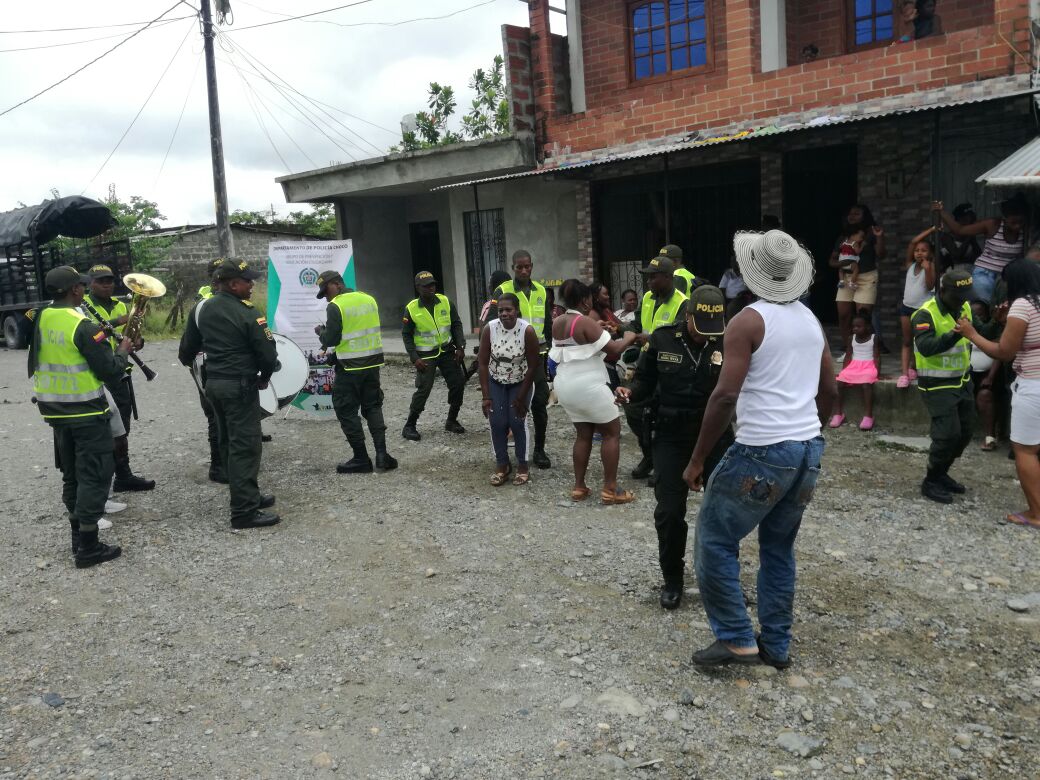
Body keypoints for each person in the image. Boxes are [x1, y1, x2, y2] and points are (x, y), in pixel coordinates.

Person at [684, 230, 836, 668]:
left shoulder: (747, 321)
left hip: (763, 449)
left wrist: (698, 459)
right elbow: (829, 388)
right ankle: (777, 644)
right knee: (778, 548)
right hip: (807, 448)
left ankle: (735, 638)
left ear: (750, 273)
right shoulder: (811, 320)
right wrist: (810, 433)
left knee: (715, 537)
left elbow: (724, 396)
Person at [616, 285, 733, 610]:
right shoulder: (663, 339)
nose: (705, 335)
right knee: (669, 512)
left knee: (724, 513)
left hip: (715, 437)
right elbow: (644, 383)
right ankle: (673, 580)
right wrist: (629, 393)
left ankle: (724, 581)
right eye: (700, 326)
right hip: (670, 436)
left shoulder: (726, 339)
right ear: (688, 315)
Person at [29, 266, 135, 567]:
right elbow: (111, 370)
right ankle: (89, 547)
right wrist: (123, 350)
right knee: (95, 474)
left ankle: (77, 537)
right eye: (82, 285)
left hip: (55, 412)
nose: (84, 289)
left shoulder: (42, 317)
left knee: (72, 474)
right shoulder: (84, 325)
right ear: (75, 290)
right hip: (86, 411)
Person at [178, 259, 280, 529]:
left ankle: (249, 495)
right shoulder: (247, 312)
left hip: (215, 387)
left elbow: (186, 353)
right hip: (240, 387)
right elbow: (268, 355)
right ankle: (244, 512)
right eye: (247, 281)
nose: (251, 285)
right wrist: (265, 377)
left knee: (228, 442)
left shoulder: (201, 309)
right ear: (233, 284)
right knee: (245, 446)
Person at [956, 261, 1040, 526]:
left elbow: (1004, 352)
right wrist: (1002, 322)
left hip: (1033, 383)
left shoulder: (1022, 305)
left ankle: (1037, 513)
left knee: (1025, 450)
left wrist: (971, 333)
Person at [549, 279, 637, 504]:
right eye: (589, 297)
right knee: (611, 432)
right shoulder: (585, 321)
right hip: (588, 384)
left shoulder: (558, 321)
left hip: (566, 385)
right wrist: (629, 337)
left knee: (583, 434)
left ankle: (579, 487)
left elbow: (579, 344)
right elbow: (615, 350)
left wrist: (600, 331)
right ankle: (610, 489)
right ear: (584, 300)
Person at [911, 269, 994, 504]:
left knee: (965, 432)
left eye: (966, 294)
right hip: (937, 385)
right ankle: (931, 480)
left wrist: (998, 322)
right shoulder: (925, 314)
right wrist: (957, 334)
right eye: (959, 295)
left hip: (962, 381)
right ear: (943, 291)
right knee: (947, 434)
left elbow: (982, 331)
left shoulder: (965, 308)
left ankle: (941, 473)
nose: (963, 300)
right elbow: (926, 347)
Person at [314, 270, 397, 474]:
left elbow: (332, 339)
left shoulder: (336, 306)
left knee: (345, 409)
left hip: (350, 368)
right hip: (372, 364)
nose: (326, 296)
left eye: (326, 291)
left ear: (337, 285)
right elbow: (357, 334)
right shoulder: (369, 299)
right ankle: (382, 455)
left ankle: (361, 458)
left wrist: (321, 332)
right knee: (373, 406)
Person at [82, 264, 155, 492]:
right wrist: (118, 322)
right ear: (90, 284)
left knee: (122, 429)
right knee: (103, 432)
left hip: (120, 373)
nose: (107, 284)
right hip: (99, 375)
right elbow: (90, 333)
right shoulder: (84, 306)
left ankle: (123, 475)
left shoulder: (123, 304)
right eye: (101, 281)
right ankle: (102, 481)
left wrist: (136, 341)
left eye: (110, 280)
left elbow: (134, 336)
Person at [626, 255, 690, 482]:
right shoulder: (647, 298)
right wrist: (620, 329)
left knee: (662, 418)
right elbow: (636, 324)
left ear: (668, 277)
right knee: (633, 409)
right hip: (646, 365)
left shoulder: (682, 302)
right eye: (647, 277)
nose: (649, 281)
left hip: (670, 368)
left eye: (653, 277)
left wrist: (650, 339)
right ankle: (650, 456)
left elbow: (683, 336)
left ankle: (664, 466)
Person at [488, 250, 552, 469]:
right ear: (513, 267)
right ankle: (507, 455)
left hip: (538, 358)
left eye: (527, 267)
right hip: (510, 361)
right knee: (511, 407)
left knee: (540, 403)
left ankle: (539, 450)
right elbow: (490, 325)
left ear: (532, 266)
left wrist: (552, 352)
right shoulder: (503, 290)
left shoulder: (542, 291)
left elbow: (548, 324)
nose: (524, 270)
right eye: (519, 267)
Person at [477, 293, 540, 486]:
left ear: (517, 310)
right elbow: (482, 362)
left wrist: (521, 398)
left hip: (520, 382)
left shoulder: (527, 331)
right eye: (501, 310)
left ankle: (522, 465)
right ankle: (502, 464)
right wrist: (486, 396)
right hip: (496, 381)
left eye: (508, 310)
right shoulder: (490, 328)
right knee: (496, 421)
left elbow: (533, 366)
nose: (504, 314)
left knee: (517, 421)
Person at [401, 271, 467, 441]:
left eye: (433, 284)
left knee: (458, 384)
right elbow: (407, 335)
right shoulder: (411, 308)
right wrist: (415, 358)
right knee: (424, 389)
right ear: (418, 288)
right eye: (426, 286)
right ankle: (409, 425)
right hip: (426, 355)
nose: (431, 288)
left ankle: (451, 420)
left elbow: (456, 324)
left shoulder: (445, 301)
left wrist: (460, 346)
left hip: (447, 351)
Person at [181, 258, 228, 483]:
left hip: (212, 364)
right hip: (211, 365)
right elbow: (188, 347)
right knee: (216, 415)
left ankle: (228, 461)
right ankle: (219, 465)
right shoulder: (207, 301)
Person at [934, 194, 1026, 305]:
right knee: (981, 307)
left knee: (1004, 310)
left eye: (1020, 222)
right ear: (1005, 219)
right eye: (1013, 222)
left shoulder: (1026, 230)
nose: (1017, 226)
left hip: (1007, 278)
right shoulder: (992, 224)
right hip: (985, 274)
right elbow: (960, 230)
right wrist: (941, 211)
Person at [829, 205, 885, 363]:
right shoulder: (843, 238)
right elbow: (832, 260)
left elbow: (881, 254)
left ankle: (868, 352)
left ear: (865, 216)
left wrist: (879, 237)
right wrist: (842, 263)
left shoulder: (870, 235)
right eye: (850, 213)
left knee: (863, 317)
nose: (852, 216)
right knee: (844, 315)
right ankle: (849, 350)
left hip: (866, 277)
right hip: (846, 278)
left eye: (857, 213)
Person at [897, 227, 938, 388]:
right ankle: (905, 374)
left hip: (922, 311)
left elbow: (929, 286)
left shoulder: (931, 267)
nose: (919, 253)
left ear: (931, 254)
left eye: (924, 251)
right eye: (917, 251)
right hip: (906, 308)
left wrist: (928, 270)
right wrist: (933, 229)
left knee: (920, 341)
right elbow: (913, 241)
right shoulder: (910, 265)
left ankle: (916, 367)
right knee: (907, 341)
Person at [828, 310, 881, 431]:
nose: (855, 329)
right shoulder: (851, 338)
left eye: (858, 326)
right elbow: (848, 355)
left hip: (869, 366)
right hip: (854, 366)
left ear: (867, 327)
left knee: (866, 383)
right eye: (853, 326)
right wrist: (844, 371)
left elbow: (877, 356)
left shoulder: (874, 338)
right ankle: (838, 413)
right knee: (840, 382)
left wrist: (877, 372)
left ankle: (868, 415)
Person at [968, 300, 1002, 452]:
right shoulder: (965, 328)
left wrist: (990, 377)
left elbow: (999, 354)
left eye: (980, 314)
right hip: (968, 373)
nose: (978, 318)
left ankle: (990, 437)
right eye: (974, 315)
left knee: (985, 395)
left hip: (989, 375)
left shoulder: (993, 330)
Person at [589, 281, 624, 390]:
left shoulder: (606, 310)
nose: (608, 297)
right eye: (605, 294)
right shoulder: (592, 314)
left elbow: (621, 325)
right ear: (595, 297)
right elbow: (598, 341)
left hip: (614, 361)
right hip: (605, 364)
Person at [939, 203, 982, 272]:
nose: (972, 221)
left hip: (969, 271)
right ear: (960, 219)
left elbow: (979, 255)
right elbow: (957, 255)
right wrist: (969, 236)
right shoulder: (947, 236)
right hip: (952, 274)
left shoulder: (969, 235)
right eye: (969, 218)